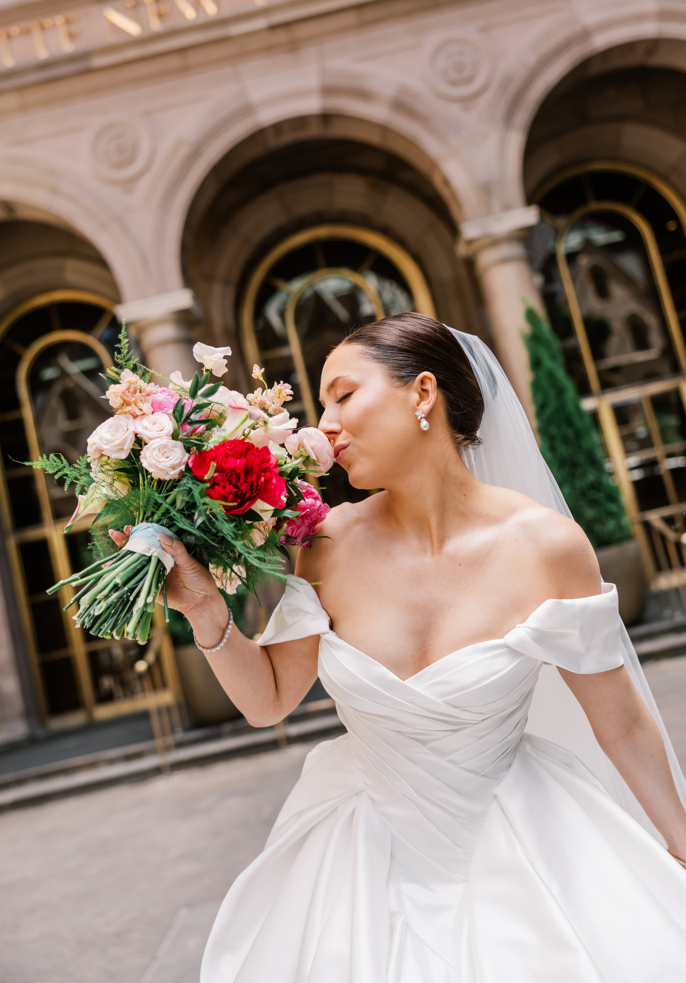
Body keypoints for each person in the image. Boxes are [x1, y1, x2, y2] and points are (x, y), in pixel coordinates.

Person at [113, 313, 686, 981]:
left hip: (524, 844)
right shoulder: (325, 544)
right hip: (364, 864)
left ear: (422, 393)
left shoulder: (546, 547)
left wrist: (680, 841)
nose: (321, 424)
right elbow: (269, 700)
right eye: (321, 403)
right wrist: (206, 608)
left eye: (343, 395)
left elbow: (618, 721)